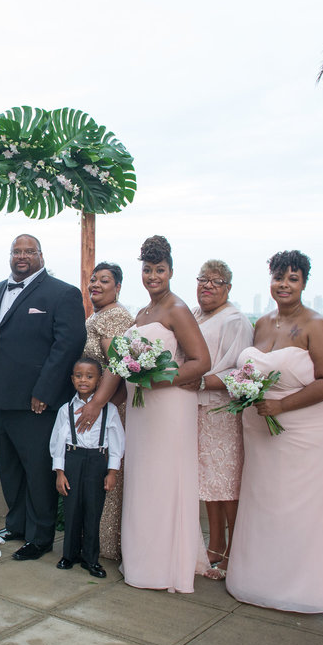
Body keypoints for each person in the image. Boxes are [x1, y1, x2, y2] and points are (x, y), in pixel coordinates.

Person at [77, 236, 212, 592]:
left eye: (160, 270)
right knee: (143, 478)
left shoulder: (177, 309)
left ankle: (167, 566)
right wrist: (112, 393)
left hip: (168, 406)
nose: (153, 276)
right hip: (141, 408)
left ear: (171, 271)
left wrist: (158, 380)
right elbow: (120, 364)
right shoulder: (141, 314)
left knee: (164, 479)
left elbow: (202, 362)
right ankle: (141, 559)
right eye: (148, 270)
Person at [226, 250, 323, 613]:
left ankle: (304, 588)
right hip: (261, 430)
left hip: (306, 431)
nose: (284, 285)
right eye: (279, 277)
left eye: (292, 279)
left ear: (304, 284)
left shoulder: (316, 326)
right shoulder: (262, 324)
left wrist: (282, 406)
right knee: (266, 503)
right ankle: (259, 581)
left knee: (301, 508)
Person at [0, 234, 86, 561]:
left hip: (36, 402)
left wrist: (44, 392)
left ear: (41, 255)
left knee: (38, 470)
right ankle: (16, 524)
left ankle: (40, 536)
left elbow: (67, 347)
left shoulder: (63, 293)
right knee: (9, 468)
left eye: (29, 251)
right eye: (17, 251)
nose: (22, 256)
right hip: (0, 398)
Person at [183, 259, 253, 579]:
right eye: (203, 280)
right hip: (194, 408)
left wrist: (201, 381)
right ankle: (215, 544)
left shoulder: (235, 320)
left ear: (228, 288)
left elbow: (241, 371)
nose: (207, 286)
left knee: (227, 484)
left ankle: (235, 551)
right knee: (209, 483)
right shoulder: (195, 315)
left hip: (220, 410)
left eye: (216, 281)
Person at [51, 357, 124, 578]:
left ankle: (91, 559)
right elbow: (57, 441)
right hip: (72, 459)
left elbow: (117, 441)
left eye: (89, 376)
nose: (84, 380)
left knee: (93, 511)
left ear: (100, 380)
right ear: (72, 379)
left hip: (96, 462)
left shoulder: (108, 410)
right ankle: (69, 555)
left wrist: (112, 472)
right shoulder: (66, 409)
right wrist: (60, 472)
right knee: (72, 510)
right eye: (79, 376)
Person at [82, 262, 134, 562]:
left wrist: (98, 406)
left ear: (118, 287)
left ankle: (106, 544)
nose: (96, 285)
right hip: (99, 405)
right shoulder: (99, 315)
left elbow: (116, 365)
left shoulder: (115, 316)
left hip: (108, 407)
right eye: (93, 280)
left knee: (106, 475)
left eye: (104, 280)